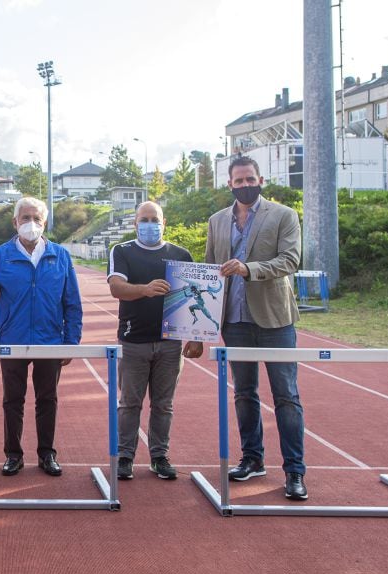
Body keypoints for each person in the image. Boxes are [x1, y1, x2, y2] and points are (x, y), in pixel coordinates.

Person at [189, 156, 307, 500]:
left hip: (275, 320)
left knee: (286, 396)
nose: (244, 185)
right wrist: (199, 331)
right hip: (235, 320)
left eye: (250, 179)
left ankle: (294, 471)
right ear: (229, 184)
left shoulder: (283, 215)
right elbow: (210, 272)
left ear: (260, 179)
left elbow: (290, 260)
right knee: (244, 393)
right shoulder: (216, 221)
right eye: (238, 181)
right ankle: (252, 459)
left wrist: (248, 268)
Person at [0, 197, 82, 477]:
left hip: (50, 341)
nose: (31, 224)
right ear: (15, 222)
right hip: (11, 341)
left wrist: (71, 341)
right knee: (12, 400)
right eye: (25, 218)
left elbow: (72, 303)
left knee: (47, 399)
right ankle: (13, 455)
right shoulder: (1, 255)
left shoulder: (60, 255)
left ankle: (47, 454)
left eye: (37, 219)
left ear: (45, 223)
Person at [107, 201, 202, 481]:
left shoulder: (180, 254)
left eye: (155, 219)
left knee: (164, 404)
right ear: (136, 223)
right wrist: (145, 290)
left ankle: (159, 456)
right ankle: (125, 457)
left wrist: (196, 337)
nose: (150, 225)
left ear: (165, 222)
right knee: (129, 403)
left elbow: (193, 295)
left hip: (170, 343)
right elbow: (116, 288)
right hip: (133, 341)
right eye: (144, 219)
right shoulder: (123, 251)